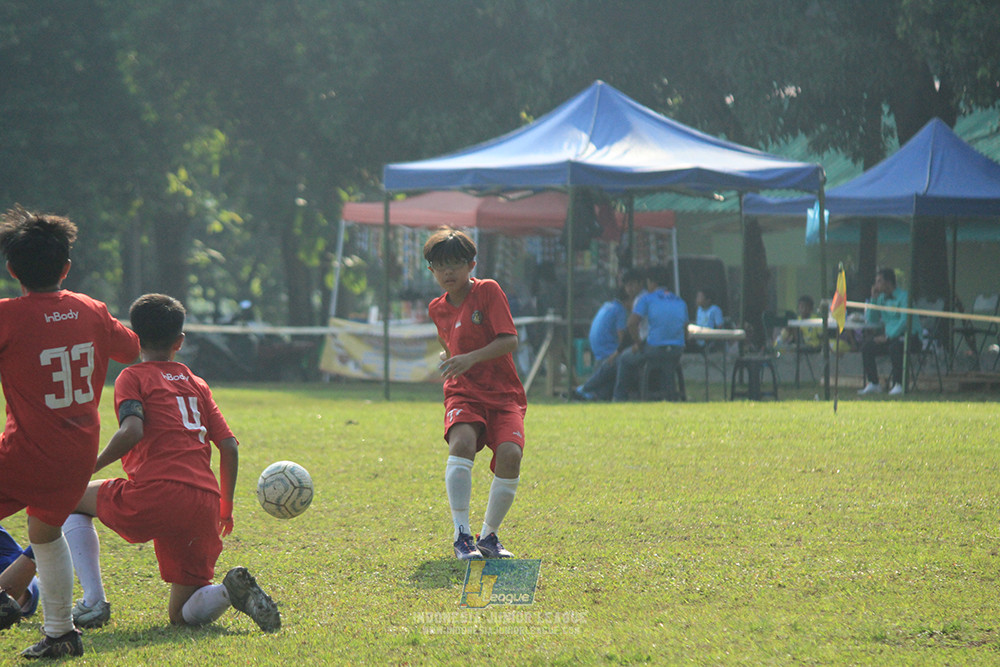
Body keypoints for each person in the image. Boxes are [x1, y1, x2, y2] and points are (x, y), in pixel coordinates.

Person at [60, 293, 280, 633]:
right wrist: (226, 505)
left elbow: (132, 431)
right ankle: (228, 592)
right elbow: (229, 447)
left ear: (135, 338)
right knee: (180, 616)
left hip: (157, 492)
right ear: (180, 341)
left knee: (68, 503)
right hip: (204, 501)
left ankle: (92, 601)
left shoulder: (131, 378)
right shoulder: (197, 384)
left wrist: (91, 467)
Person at [0, 205, 140, 659]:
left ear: (11, 270)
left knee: (43, 533)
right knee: (43, 533)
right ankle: (60, 633)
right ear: (66, 268)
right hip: (78, 455)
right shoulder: (91, 309)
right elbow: (132, 347)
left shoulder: (8, 316)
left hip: (26, 453)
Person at [425, 228, 525, 561]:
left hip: (503, 393)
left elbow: (509, 340)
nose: (447, 273)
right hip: (464, 392)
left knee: (511, 455)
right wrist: (451, 357)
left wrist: (468, 358)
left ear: (471, 264)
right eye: (440, 266)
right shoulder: (436, 309)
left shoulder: (488, 291)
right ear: (431, 270)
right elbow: (449, 345)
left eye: (454, 264)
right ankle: (462, 536)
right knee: (462, 444)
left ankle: (489, 536)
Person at [613, 265, 689, 401]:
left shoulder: (647, 299)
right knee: (668, 365)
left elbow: (631, 323)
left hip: (654, 349)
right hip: (676, 350)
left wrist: (639, 343)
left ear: (651, 282)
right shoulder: (680, 301)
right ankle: (670, 396)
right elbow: (685, 328)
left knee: (624, 358)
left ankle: (620, 398)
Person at [571, 268, 644, 401]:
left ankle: (586, 391)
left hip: (598, 352)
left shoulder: (607, 305)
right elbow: (622, 336)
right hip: (607, 353)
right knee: (617, 362)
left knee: (610, 374)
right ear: (627, 301)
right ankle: (586, 390)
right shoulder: (620, 311)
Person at [858, 268, 920, 396]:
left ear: (888, 282)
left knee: (895, 347)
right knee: (867, 347)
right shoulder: (881, 298)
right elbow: (871, 319)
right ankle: (874, 383)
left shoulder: (904, 297)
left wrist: (888, 337)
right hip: (891, 337)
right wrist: (873, 299)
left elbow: (904, 322)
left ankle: (899, 384)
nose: (876, 285)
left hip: (910, 337)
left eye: (879, 281)